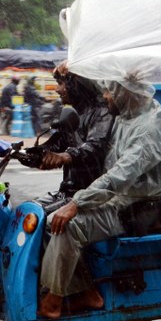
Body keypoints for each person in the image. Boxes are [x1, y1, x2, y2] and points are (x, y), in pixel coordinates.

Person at [37, 73, 161, 319]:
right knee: (46, 219)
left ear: (125, 92)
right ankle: (86, 292)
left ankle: (55, 301)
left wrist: (77, 203)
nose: (104, 96)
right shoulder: (128, 113)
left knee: (64, 225)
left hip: (139, 208)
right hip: (122, 198)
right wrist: (74, 68)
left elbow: (118, 178)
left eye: (109, 91)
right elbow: (95, 91)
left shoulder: (147, 132)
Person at [34, 61, 115, 212]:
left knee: (42, 219)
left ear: (75, 85)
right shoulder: (74, 113)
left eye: (61, 83)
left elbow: (95, 147)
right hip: (66, 192)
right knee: (27, 211)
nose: (57, 90)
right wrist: (29, 153)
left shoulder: (101, 112)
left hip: (88, 195)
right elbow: (58, 144)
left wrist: (66, 156)